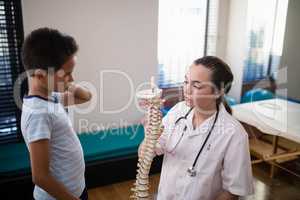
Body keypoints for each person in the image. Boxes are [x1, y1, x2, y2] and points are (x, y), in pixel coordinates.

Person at [140, 56, 254, 200]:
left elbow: (232, 192)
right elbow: (144, 156)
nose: (186, 90)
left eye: (197, 85)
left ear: (218, 91)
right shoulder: (177, 112)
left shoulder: (234, 134)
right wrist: (149, 139)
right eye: (186, 81)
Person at [21, 28, 91, 200]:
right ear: (39, 75)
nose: (72, 79)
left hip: (76, 188)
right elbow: (40, 177)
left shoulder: (51, 97)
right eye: (67, 74)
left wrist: (66, 82)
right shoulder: (38, 114)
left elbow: (86, 96)